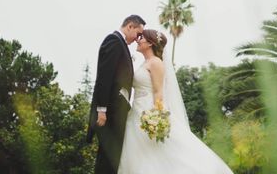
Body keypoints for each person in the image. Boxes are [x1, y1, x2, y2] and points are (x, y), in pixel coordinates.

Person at [118, 29, 233, 173]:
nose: (138, 39)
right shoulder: (145, 62)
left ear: (150, 43)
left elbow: (158, 91)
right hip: (136, 109)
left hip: (148, 110)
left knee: (164, 152)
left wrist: (156, 116)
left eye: (141, 38)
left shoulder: (156, 63)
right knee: (139, 153)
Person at [87, 15, 146, 174]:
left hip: (116, 112)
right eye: (138, 34)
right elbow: (104, 77)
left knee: (112, 157)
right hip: (109, 112)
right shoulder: (113, 41)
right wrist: (101, 110)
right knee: (107, 157)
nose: (137, 39)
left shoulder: (121, 44)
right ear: (130, 27)